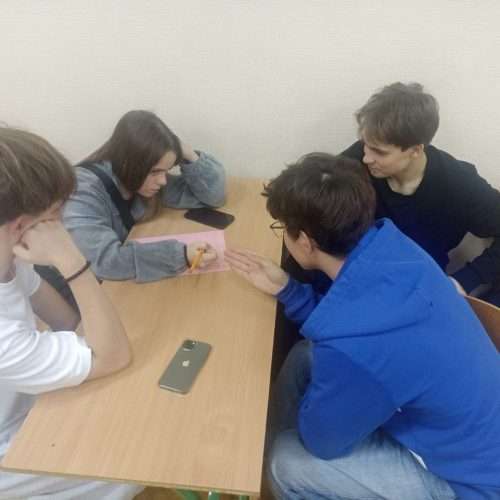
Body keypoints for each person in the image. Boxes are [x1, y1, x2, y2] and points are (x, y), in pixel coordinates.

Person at [225, 153, 500, 500]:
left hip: (468, 483)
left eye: (282, 230)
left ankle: (269, 461)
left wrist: (321, 413)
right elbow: (357, 325)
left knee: (286, 463)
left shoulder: (354, 349)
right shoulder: (393, 244)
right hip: (465, 428)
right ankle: (265, 451)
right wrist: (287, 289)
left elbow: (324, 443)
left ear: (306, 241)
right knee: (304, 354)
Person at [0, 126, 143, 499]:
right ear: (20, 227)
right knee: (132, 462)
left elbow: (71, 324)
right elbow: (112, 355)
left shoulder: (10, 265)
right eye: (55, 217)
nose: (62, 226)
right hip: (7, 447)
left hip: (25, 404)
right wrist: (72, 261)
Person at [342, 82, 500, 306]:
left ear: (415, 150)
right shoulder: (355, 161)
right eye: (365, 144)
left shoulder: (458, 182)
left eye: (379, 152)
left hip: (421, 289)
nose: (367, 157)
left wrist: (464, 280)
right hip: (361, 279)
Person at [62, 109, 226, 283]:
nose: (163, 181)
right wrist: (182, 255)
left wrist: (188, 153)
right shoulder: (81, 191)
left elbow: (213, 196)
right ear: (128, 162)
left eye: (166, 171)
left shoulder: (141, 178)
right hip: (77, 285)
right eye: (155, 172)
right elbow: (106, 262)